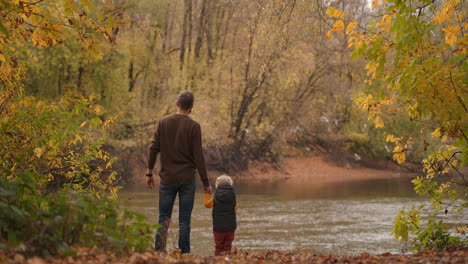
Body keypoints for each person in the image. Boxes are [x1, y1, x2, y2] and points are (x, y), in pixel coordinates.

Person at [146, 91, 212, 254]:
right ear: (191, 107)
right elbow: (198, 156)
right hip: (187, 179)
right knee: (184, 221)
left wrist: (149, 173)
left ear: (177, 104)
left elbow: (153, 147)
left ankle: (159, 253)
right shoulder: (194, 126)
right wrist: (206, 183)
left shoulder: (163, 122)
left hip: (167, 178)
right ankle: (184, 254)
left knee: (163, 218)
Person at [204, 175, 238, 256]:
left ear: (217, 185)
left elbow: (207, 204)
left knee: (218, 247)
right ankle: (227, 261)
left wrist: (207, 193)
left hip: (218, 228)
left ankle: (217, 261)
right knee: (228, 246)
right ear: (230, 184)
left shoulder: (215, 197)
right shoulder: (233, 196)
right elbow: (235, 208)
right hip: (230, 227)